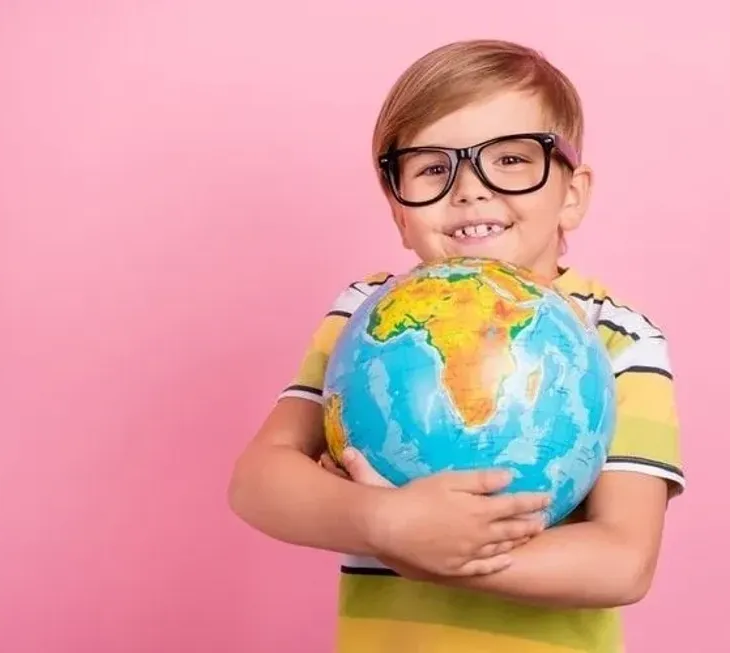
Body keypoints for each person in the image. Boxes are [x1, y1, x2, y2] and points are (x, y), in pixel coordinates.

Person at [228, 38, 685, 653]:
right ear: (398, 209)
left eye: (511, 159)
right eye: (434, 168)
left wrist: (440, 555)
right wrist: (385, 523)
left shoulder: (619, 340)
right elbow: (258, 483)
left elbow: (623, 562)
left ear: (572, 193)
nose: (469, 189)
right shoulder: (364, 320)